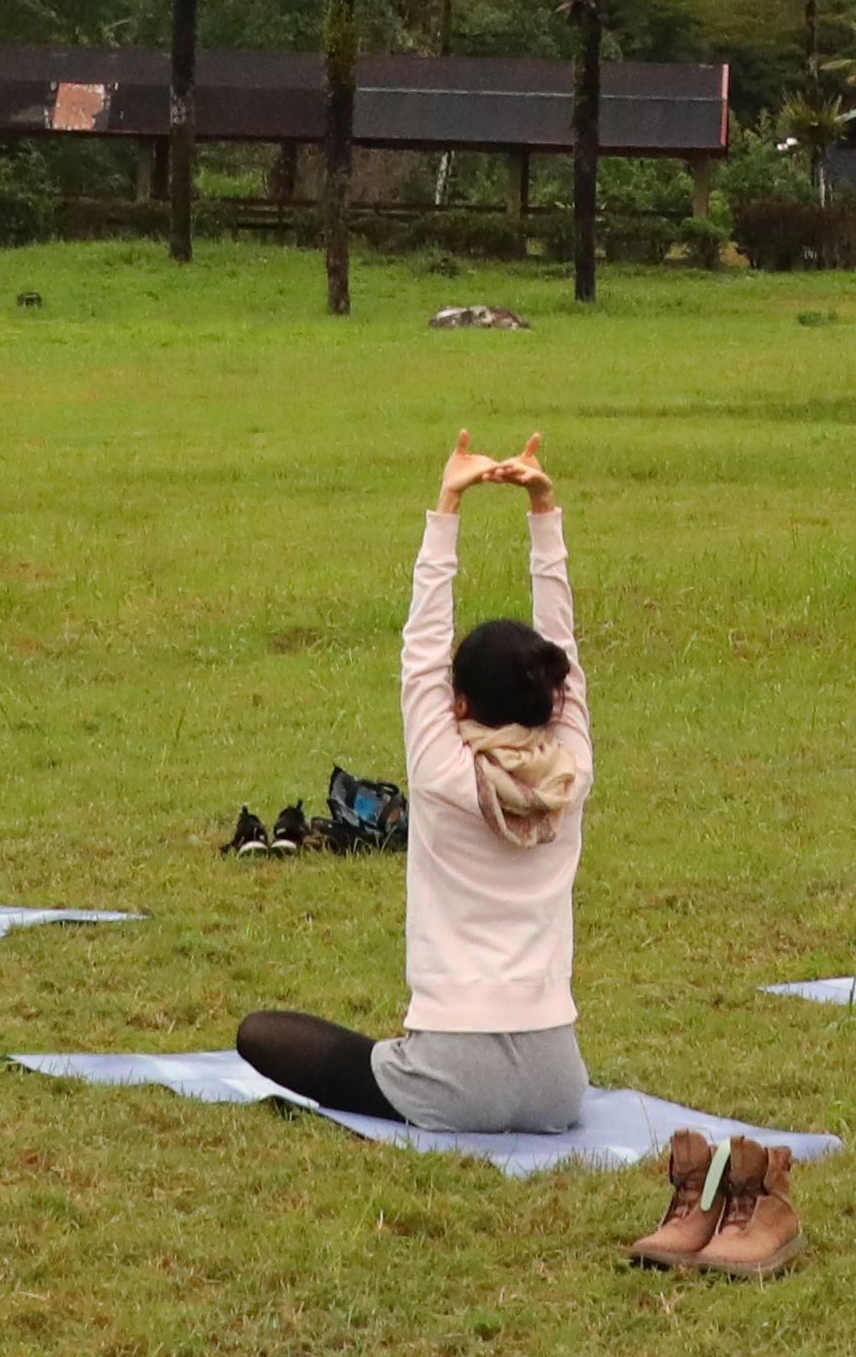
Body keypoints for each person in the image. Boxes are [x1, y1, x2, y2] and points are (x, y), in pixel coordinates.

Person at [235, 438, 595, 1134]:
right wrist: (543, 509)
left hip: (452, 1078)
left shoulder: (440, 770)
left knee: (261, 1033)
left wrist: (448, 504)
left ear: (458, 704)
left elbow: (422, 647)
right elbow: (565, 654)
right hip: (561, 1083)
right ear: (552, 700)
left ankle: (409, 1068)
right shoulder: (571, 772)